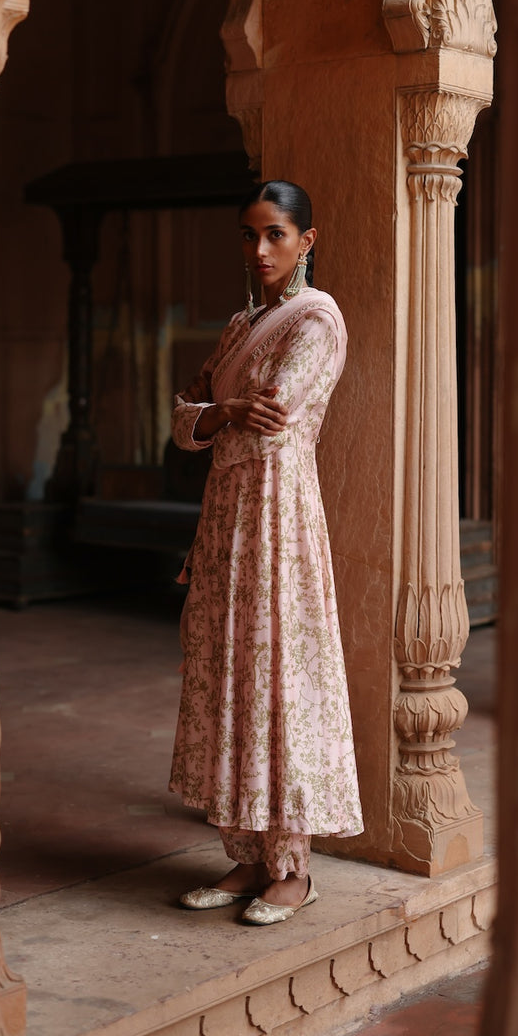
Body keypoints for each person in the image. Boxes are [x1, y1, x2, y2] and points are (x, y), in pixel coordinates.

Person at [169, 179, 363, 926]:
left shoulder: (318, 321)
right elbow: (188, 423)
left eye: (276, 234)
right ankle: (246, 855)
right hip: (225, 520)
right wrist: (216, 409)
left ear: (306, 241)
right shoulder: (241, 323)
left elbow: (269, 418)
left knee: (278, 677)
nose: (259, 250)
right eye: (249, 234)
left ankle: (293, 868)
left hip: (278, 520)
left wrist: (212, 409)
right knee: (232, 678)